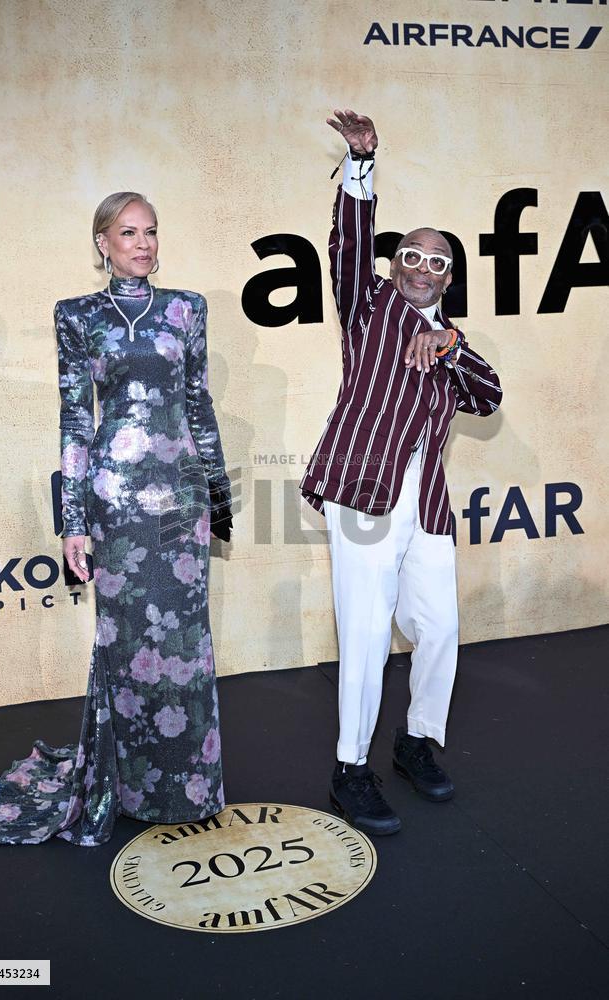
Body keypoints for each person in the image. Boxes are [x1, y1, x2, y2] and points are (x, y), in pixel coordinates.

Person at [0, 191, 233, 846]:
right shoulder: (77, 317)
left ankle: (190, 787)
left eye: (151, 231)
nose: (143, 243)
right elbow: (75, 420)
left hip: (180, 500)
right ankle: (131, 786)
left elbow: (198, 403)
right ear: (103, 243)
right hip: (115, 501)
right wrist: (71, 519)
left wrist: (217, 490)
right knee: (126, 647)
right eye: (128, 232)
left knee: (185, 644)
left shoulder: (187, 309)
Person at [300, 110, 502, 836]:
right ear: (394, 267)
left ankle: (416, 741)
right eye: (410, 256)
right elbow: (348, 244)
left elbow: (491, 395)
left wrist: (450, 346)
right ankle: (349, 770)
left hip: (427, 507)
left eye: (436, 261)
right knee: (363, 637)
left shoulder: (452, 343)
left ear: (450, 276)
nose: (420, 267)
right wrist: (361, 167)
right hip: (361, 495)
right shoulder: (368, 306)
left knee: (440, 627)